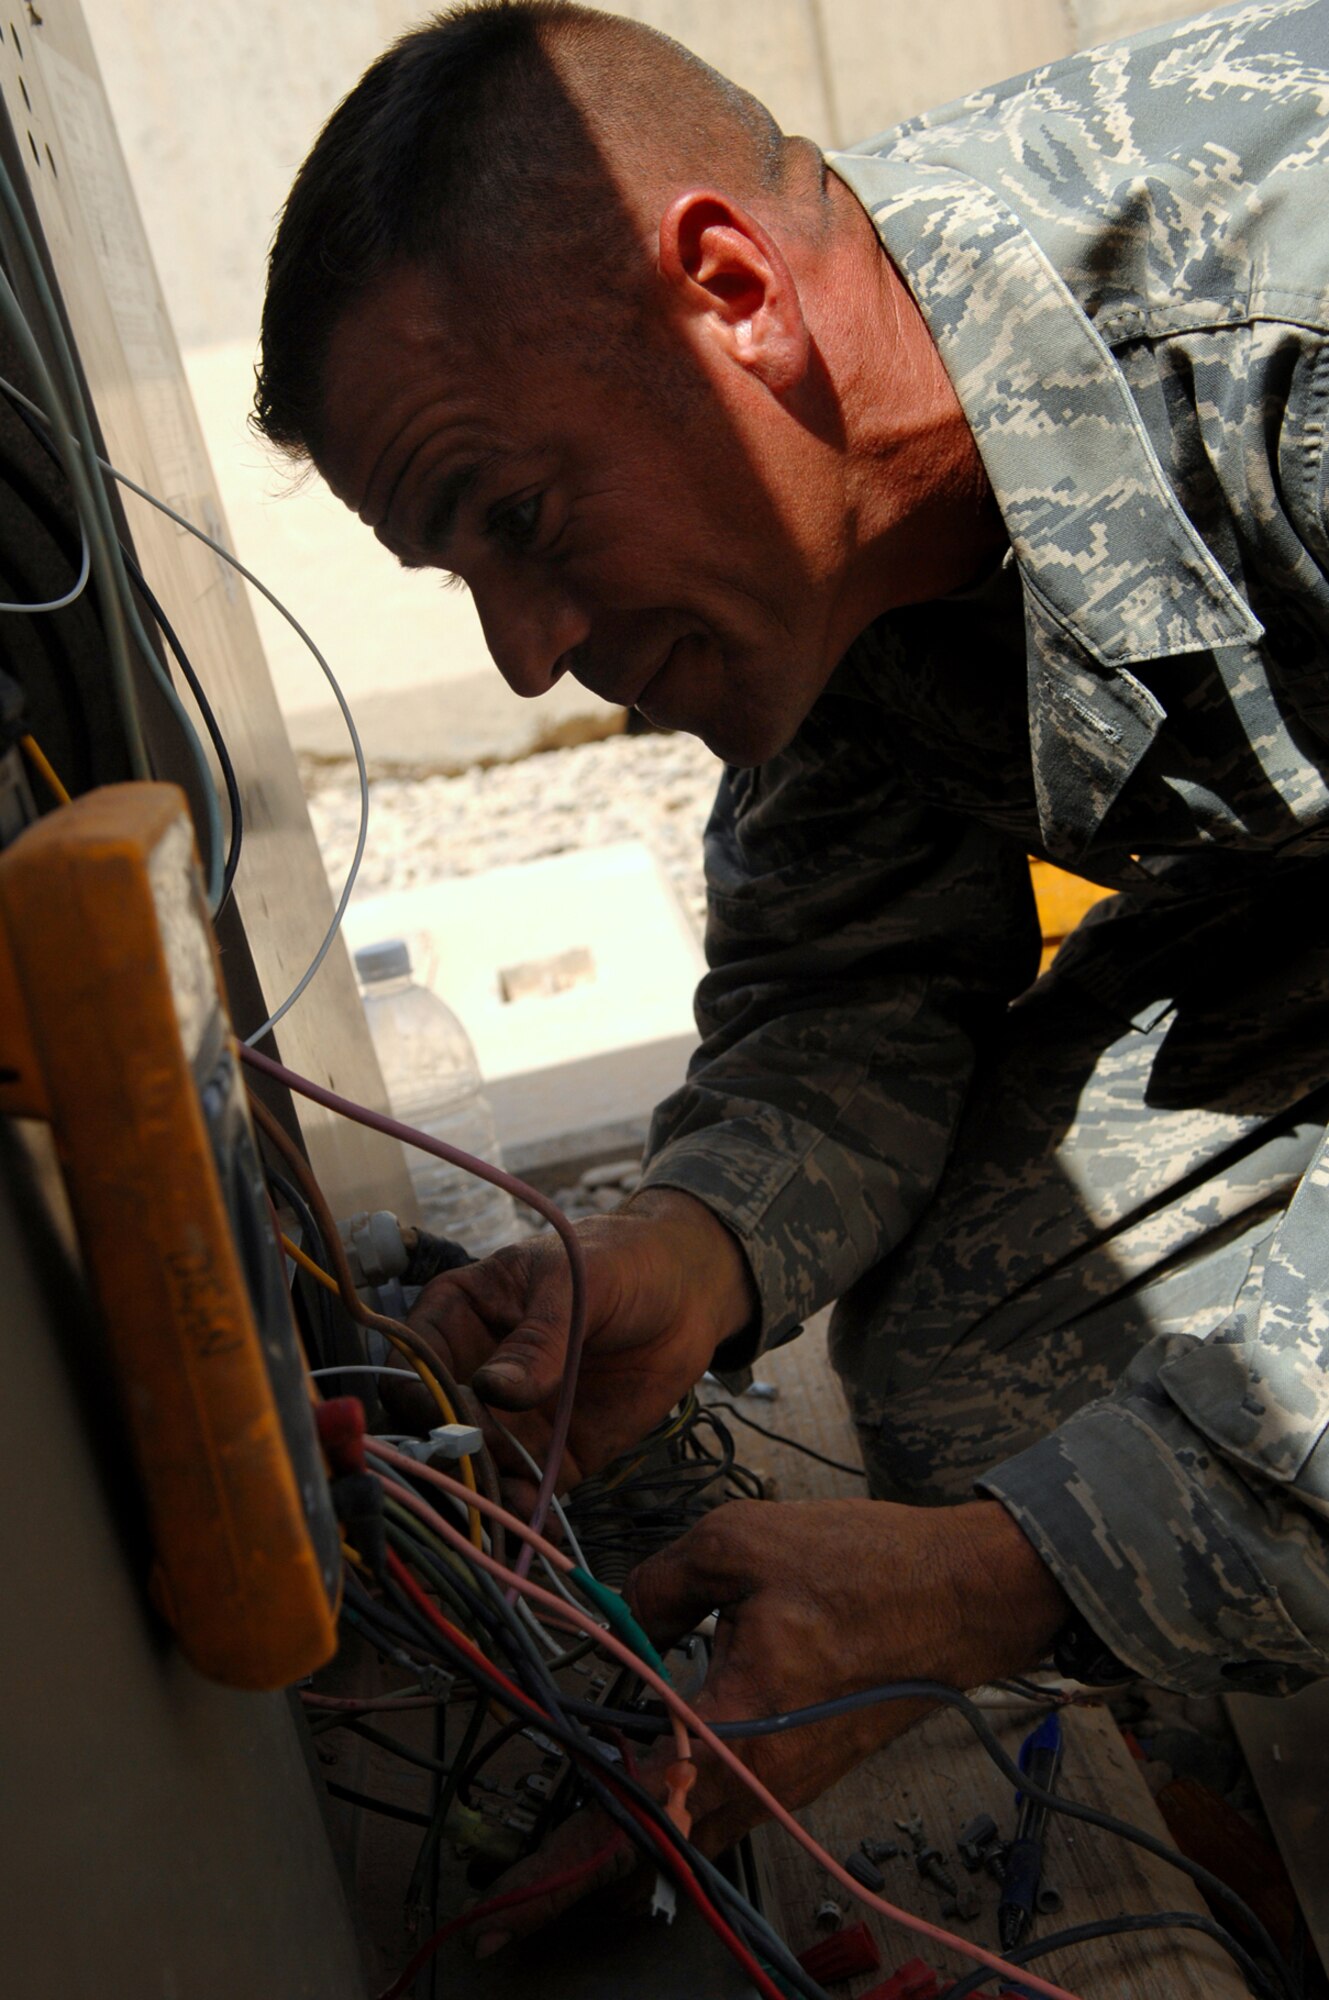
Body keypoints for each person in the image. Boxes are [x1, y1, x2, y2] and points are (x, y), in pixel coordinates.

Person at [254, 0, 1329, 1927]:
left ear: (730, 289)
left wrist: (1014, 1575)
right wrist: (678, 1255)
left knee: (1053, 1504)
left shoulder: (1292, 361)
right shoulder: (835, 485)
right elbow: (846, 983)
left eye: (516, 518)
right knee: (979, 1373)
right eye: (465, 575)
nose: (520, 652)